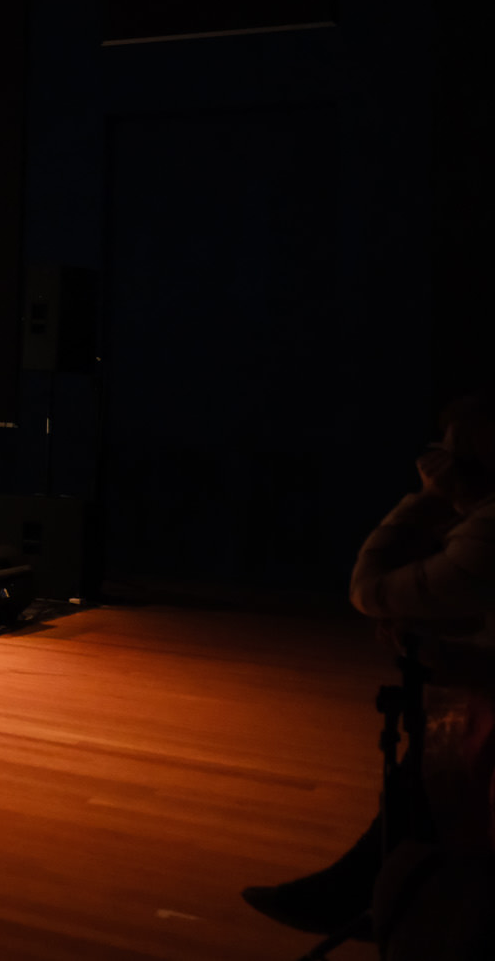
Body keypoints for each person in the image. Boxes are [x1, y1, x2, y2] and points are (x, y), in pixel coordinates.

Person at [243, 388, 495, 948]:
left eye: (449, 453)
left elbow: (370, 587)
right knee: (426, 772)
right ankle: (382, 892)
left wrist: (426, 500)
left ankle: (392, 900)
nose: (438, 463)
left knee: (436, 773)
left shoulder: (487, 534)